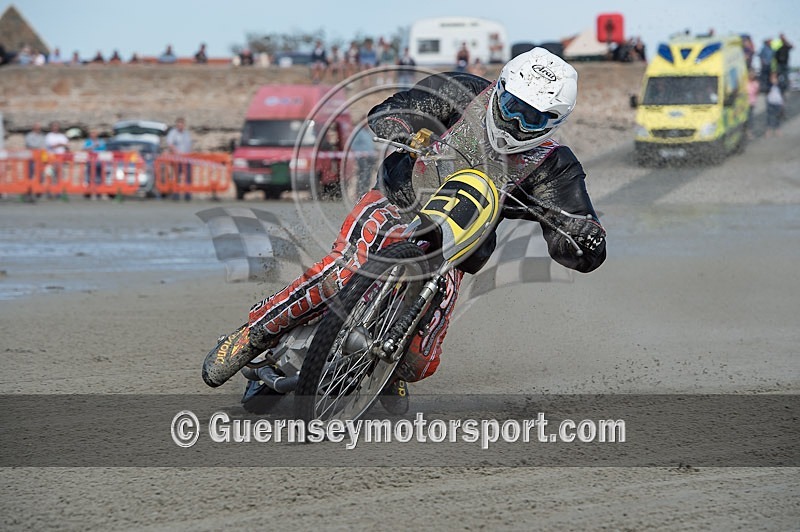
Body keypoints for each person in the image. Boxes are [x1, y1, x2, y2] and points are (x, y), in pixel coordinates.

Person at [209, 48, 607, 413]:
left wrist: (584, 237)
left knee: (422, 359)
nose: (519, 122)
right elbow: (392, 109)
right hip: (396, 202)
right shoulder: (462, 90)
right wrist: (404, 127)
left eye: (534, 117)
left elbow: (579, 235)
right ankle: (254, 334)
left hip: (457, 248)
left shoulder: (554, 165)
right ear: (500, 90)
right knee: (339, 273)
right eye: (513, 106)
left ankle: (391, 367)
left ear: (555, 122)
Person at [165, 117, 193, 200]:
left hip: (187, 159)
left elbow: (189, 145)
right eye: (179, 125)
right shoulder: (173, 133)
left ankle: (187, 194)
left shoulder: (186, 134)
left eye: (182, 125)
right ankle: (176, 194)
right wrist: (177, 151)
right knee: (177, 177)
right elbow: (170, 144)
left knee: (188, 177)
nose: (180, 126)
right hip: (177, 159)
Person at [765, 71, 784, 137]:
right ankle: (769, 130)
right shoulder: (768, 84)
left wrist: (777, 83)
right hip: (770, 102)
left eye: (775, 76)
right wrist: (771, 84)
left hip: (778, 102)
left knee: (777, 116)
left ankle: (777, 129)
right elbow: (766, 90)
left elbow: (783, 89)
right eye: (772, 76)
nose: (774, 78)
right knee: (769, 116)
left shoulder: (780, 83)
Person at [746, 69, 760, 137]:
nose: (751, 76)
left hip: (751, 103)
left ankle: (749, 132)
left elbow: (757, 93)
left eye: (752, 75)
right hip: (744, 103)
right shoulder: (745, 82)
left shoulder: (755, 83)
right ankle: (746, 132)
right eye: (750, 74)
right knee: (746, 118)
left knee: (750, 118)